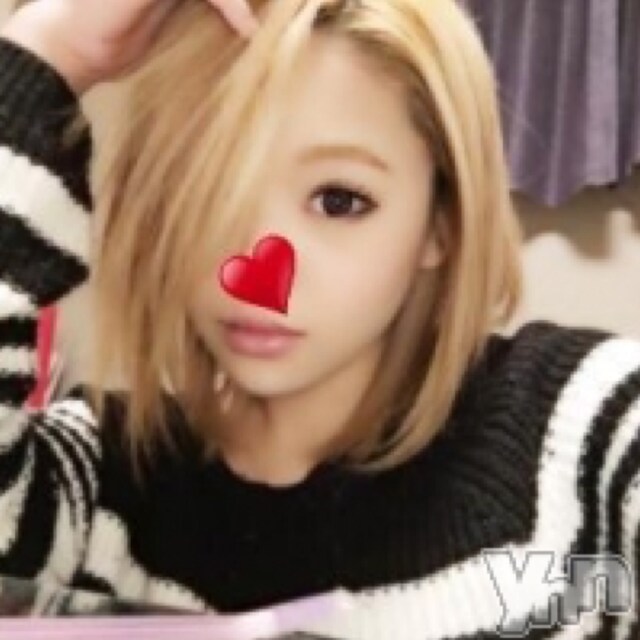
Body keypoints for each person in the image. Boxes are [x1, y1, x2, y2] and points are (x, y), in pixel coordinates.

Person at [0, 0, 638, 638]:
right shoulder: (93, 486)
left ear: (439, 224)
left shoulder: (586, 434)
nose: (259, 277)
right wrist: (48, 51)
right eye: (213, 190)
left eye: (339, 201)